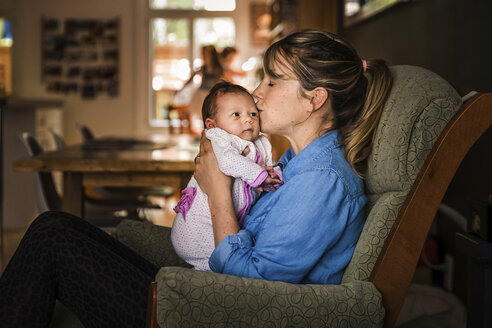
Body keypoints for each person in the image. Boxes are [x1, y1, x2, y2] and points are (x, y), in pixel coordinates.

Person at [0, 29, 392, 327]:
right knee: (58, 225)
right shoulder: (293, 163)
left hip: (213, 310)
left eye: (272, 81)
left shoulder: (323, 182)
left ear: (315, 99)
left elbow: (256, 288)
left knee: (52, 237)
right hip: (204, 290)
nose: (255, 93)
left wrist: (218, 190)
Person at [171, 81, 283, 271]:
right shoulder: (220, 138)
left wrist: (274, 174)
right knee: (217, 259)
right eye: (236, 115)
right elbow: (228, 162)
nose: (248, 120)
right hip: (197, 227)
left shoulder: (261, 142)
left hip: (227, 220)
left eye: (252, 114)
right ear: (212, 125)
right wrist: (259, 174)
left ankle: (205, 278)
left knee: (218, 260)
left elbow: (270, 166)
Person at [182, 45, 223, 133]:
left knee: (211, 114)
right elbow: (191, 79)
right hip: (201, 94)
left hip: (212, 94)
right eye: (203, 55)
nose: (204, 57)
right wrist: (182, 87)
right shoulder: (203, 68)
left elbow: (224, 78)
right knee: (200, 114)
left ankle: (210, 131)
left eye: (206, 55)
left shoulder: (218, 68)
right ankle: (200, 131)